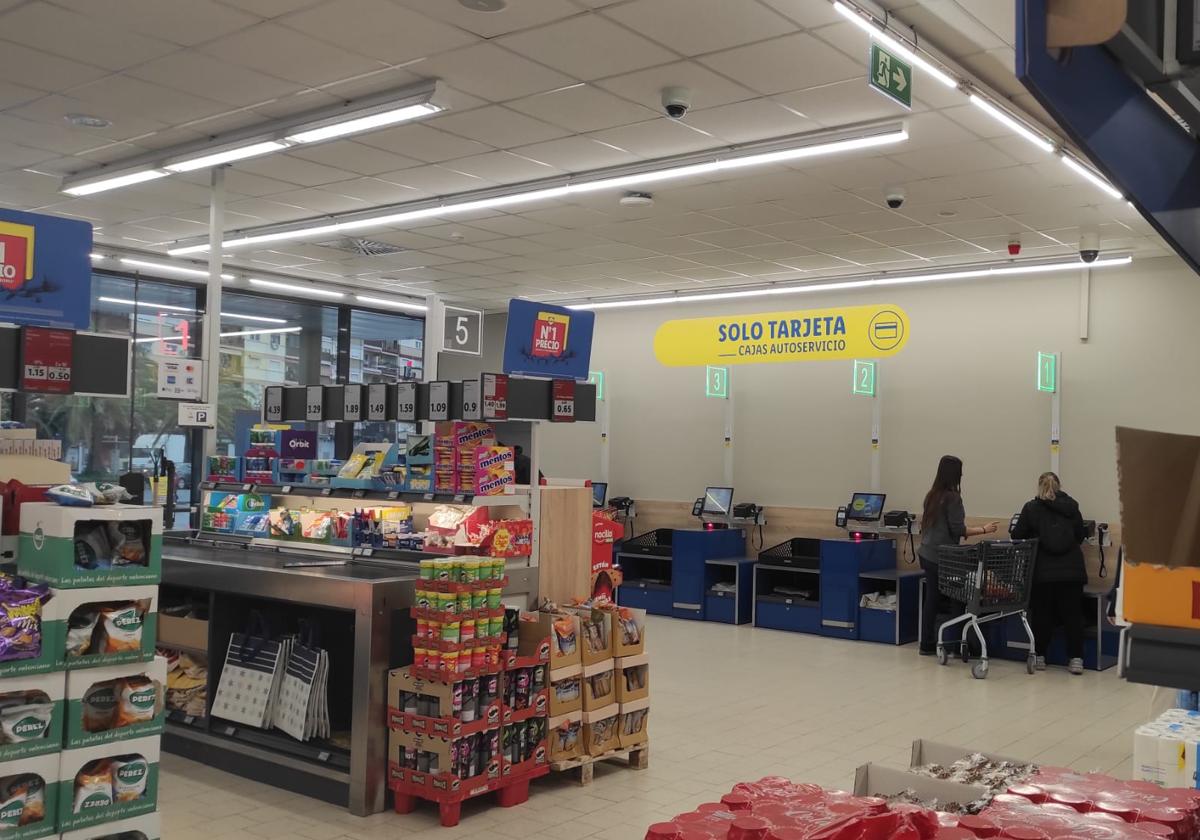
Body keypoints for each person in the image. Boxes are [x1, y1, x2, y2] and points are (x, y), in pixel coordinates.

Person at [917, 455, 1000, 655]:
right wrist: (984, 529)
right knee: (958, 597)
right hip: (944, 557)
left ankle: (926, 643)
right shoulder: (953, 498)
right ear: (954, 474)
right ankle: (958, 643)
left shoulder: (932, 495)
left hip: (926, 553)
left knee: (932, 600)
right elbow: (958, 530)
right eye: (960, 472)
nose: (962, 475)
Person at [1011, 471, 1087, 674]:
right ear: (1059, 486)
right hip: (1072, 570)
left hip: (1042, 571)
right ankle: (1076, 659)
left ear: (1039, 487)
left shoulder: (1031, 508)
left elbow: (1017, 535)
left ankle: (1040, 657)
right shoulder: (1072, 507)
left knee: (1042, 614)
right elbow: (1080, 534)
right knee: (1073, 615)